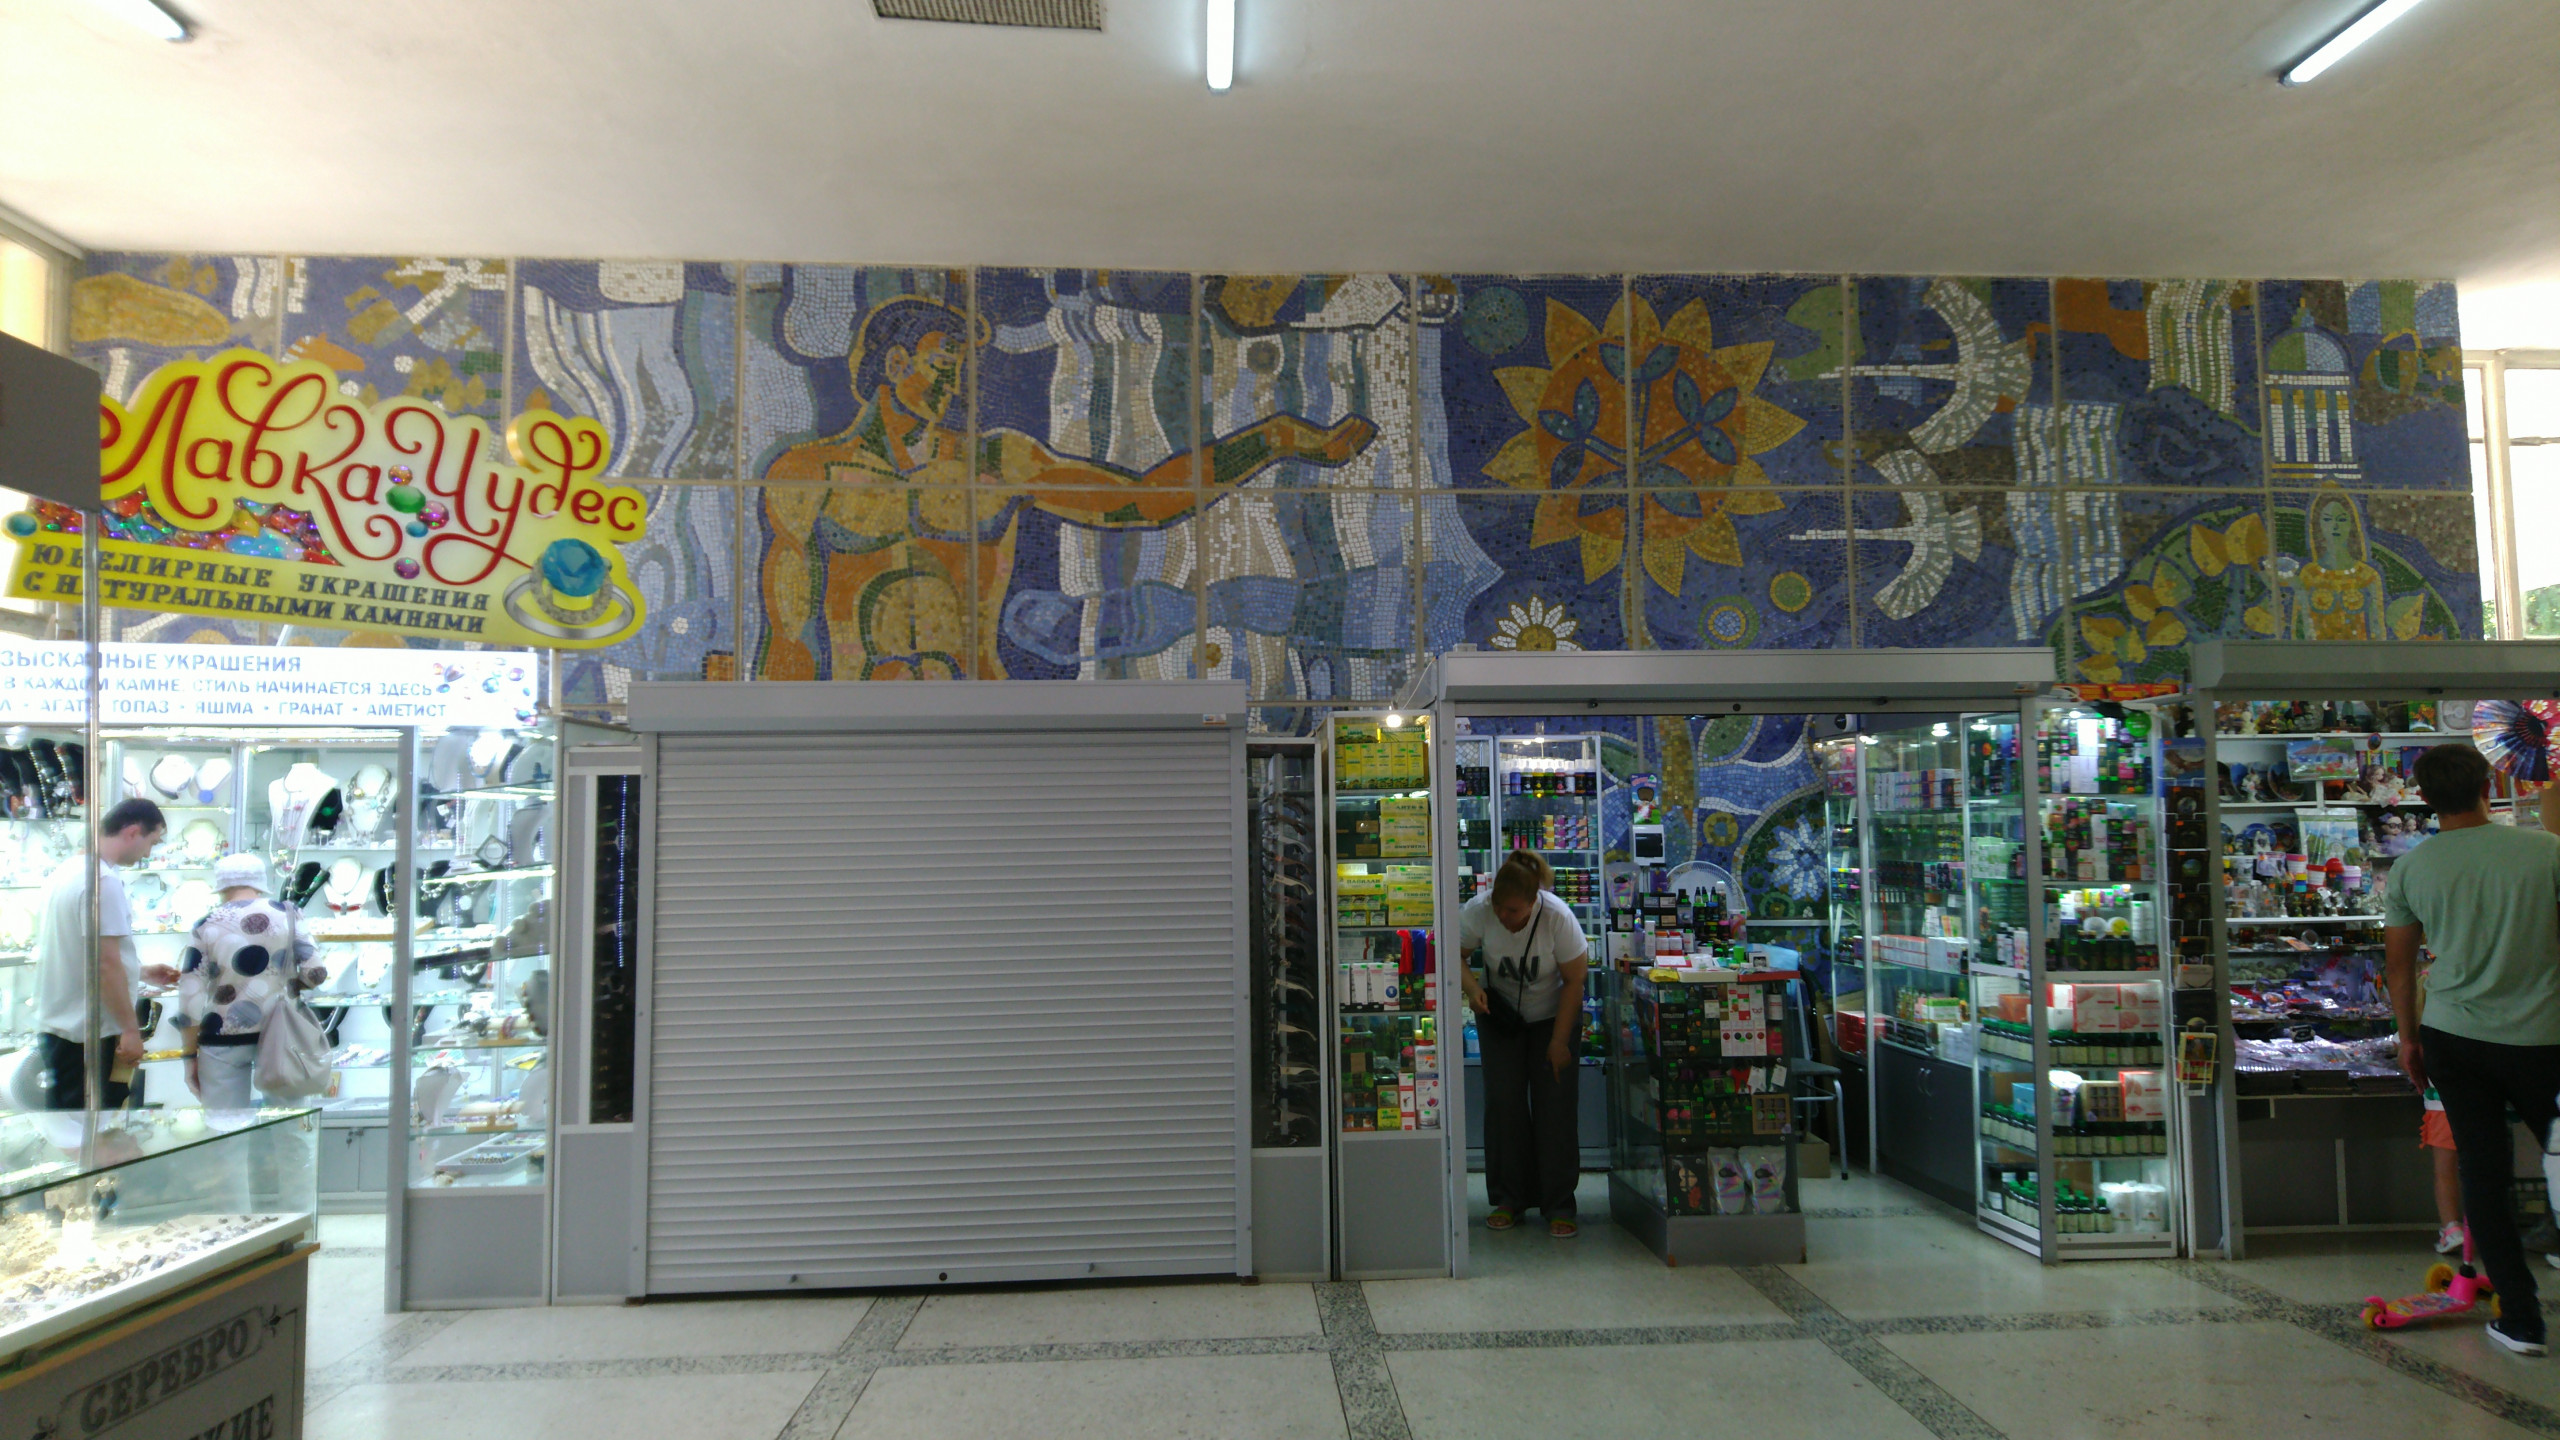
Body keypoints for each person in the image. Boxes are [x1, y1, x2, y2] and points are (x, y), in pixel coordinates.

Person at [2386, 744, 2560, 1356]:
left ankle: (2522, 1320)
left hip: (2454, 1039)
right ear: (2488, 786)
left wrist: (2409, 1038)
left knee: (2483, 1178)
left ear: (2424, 799)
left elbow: (2399, 968)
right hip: (2545, 1037)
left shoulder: (2412, 868)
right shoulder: (2547, 852)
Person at [1459, 850, 1591, 1239]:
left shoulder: (1558, 918)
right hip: (1501, 1019)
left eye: (1514, 910)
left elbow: (1575, 981)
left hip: (1553, 1016)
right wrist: (1473, 990)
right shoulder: (1479, 910)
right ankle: (1508, 1199)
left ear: (1534, 902)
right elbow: (1454, 954)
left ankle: (1559, 1204)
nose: (1504, 916)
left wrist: (1560, 1041)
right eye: (1499, 907)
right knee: (1503, 1105)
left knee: (1555, 1107)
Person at [34, 798, 171, 1109]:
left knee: (67, 1117)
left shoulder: (67, 871)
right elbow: (105, 965)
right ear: (132, 832)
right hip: (88, 1032)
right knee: (93, 1120)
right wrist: (130, 1030)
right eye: (152, 842)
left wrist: (140, 971)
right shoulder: (103, 881)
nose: (148, 853)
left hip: (62, 1027)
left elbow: (82, 951)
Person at [176, 854, 324, 1110]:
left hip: (222, 1034)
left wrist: (189, 1055)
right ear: (260, 883)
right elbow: (316, 972)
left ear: (221, 886)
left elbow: (191, 996)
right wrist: (289, 986)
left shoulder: (206, 924)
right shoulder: (289, 915)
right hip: (282, 1031)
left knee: (224, 1124)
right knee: (287, 1121)